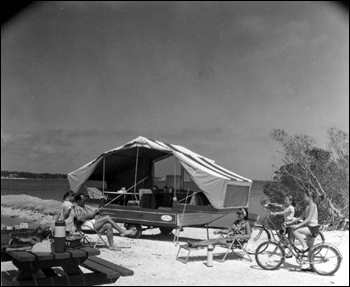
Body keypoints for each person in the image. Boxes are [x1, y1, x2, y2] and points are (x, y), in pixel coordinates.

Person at [73, 193, 137, 251]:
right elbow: (79, 218)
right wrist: (89, 215)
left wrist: (96, 212)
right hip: (85, 226)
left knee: (108, 225)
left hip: (90, 224)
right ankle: (122, 231)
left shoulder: (83, 206)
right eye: (84, 201)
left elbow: (92, 214)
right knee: (107, 217)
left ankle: (112, 246)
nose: (85, 202)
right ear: (78, 201)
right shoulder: (76, 207)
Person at [287, 190, 319, 272]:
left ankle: (304, 247)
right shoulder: (308, 206)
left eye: (305, 196)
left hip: (313, 227)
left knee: (295, 230)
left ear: (310, 197)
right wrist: (291, 222)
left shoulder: (313, 205)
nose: (304, 198)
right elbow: (301, 217)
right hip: (310, 227)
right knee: (311, 249)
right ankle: (311, 267)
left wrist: (298, 225)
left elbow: (308, 219)